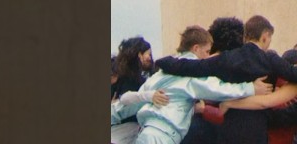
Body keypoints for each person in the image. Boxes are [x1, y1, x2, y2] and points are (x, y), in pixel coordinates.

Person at [155, 15, 297, 144]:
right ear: (265, 36)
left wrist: (162, 61)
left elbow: (191, 67)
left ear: (245, 36)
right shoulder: (269, 59)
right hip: (256, 130)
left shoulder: (227, 59)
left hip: (228, 129)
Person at [111, 25, 274, 144]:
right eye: (207, 51)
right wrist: (252, 88)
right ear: (196, 48)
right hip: (163, 137)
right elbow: (218, 88)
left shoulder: (159, 74)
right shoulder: (192, 73)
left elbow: (128, 105)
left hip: (146, 135)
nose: (209, 57)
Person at [113, 37, 159, 144]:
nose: (150, 58)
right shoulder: (132, 80)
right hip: (129, 129)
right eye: (148, 54)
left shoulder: (122, 76)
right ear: (139, 55)